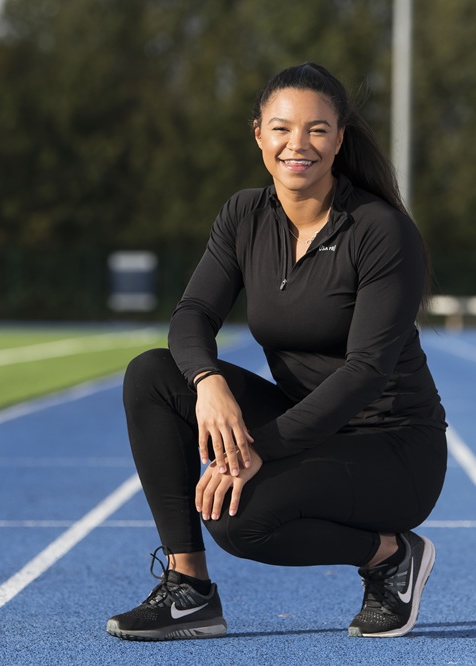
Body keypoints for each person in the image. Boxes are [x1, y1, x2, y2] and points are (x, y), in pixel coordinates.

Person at [106, 62, 448, 641]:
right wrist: (207, 381)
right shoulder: (244, 214)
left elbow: (366, 372)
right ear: (259, 134)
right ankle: (189, 591)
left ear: (340, 139)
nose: (299, 144)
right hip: (309, 428)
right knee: (153, 376)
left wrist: (257, 449)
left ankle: (389, 555)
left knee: (240, 521)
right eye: (282, 128)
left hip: (392, 449)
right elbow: (191, 316)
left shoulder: (380, 231)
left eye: (317, 130)